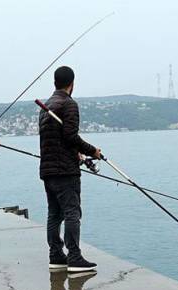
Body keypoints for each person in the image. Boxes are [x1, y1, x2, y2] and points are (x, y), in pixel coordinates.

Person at [39, 66, 102, 273]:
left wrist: (77, 152)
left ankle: (56, 256)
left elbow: (59, 138)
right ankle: (74, 257)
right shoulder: (69, 104)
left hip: (47, 169)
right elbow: (70, 136)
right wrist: (93, 151)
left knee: (54, 213)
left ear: (55, 82)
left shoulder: (47, 106)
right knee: (72, 212)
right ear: (72, 83)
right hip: (65, 170)